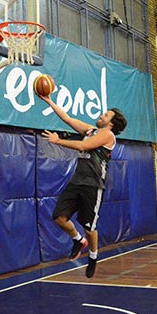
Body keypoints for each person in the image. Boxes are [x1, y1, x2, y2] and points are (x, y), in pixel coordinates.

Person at [39, 93, 127, 278]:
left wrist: (57, 141)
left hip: (93, 186)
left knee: (89, 227)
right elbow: (67, 118)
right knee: (59, 217)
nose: (101, 116)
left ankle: (93, 257)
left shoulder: (108, 136)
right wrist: (48, 101)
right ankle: (78, 241)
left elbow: (82, 147)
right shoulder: (90, 131)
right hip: (77, 182)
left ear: (111, 123)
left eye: (105, 115)